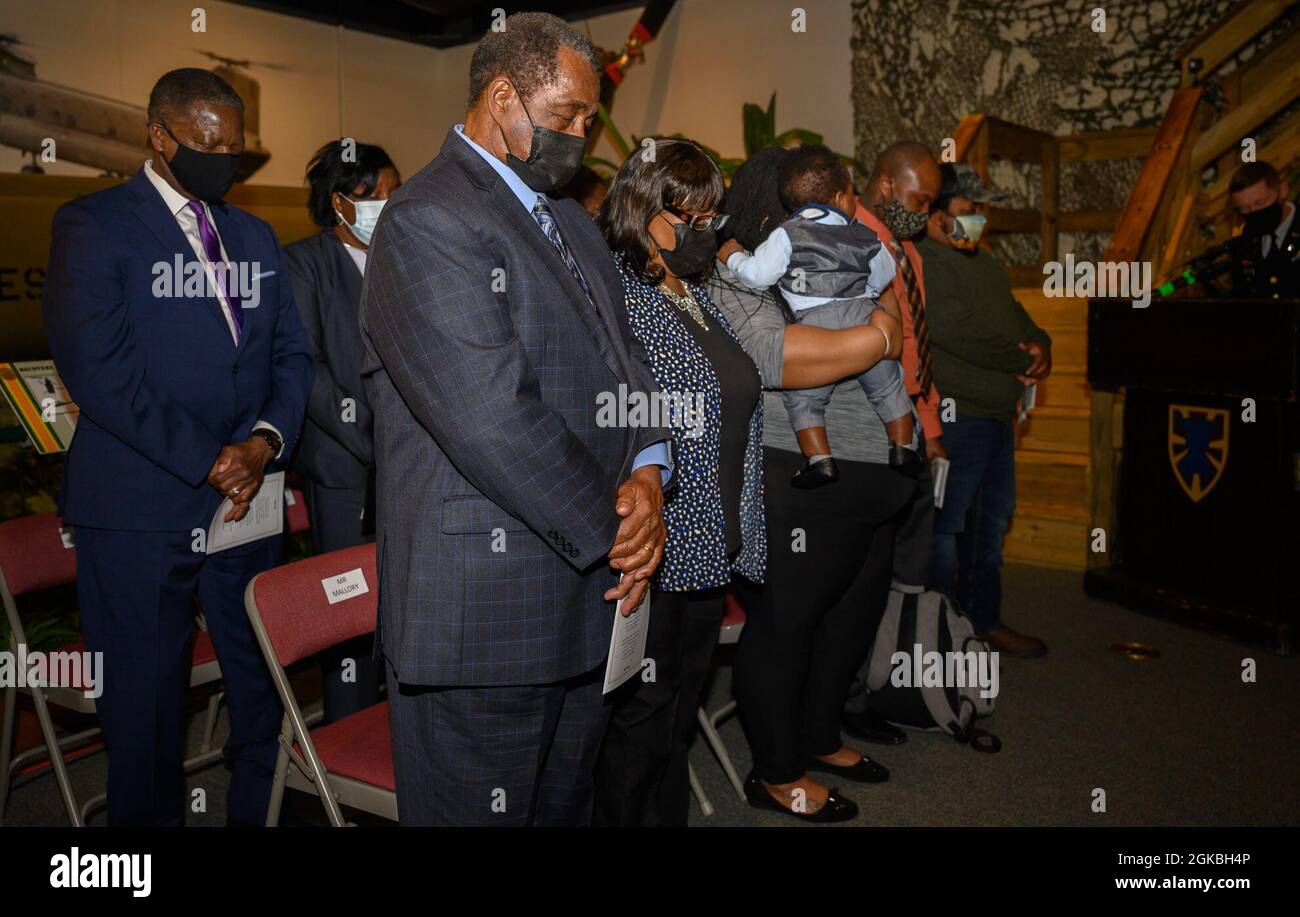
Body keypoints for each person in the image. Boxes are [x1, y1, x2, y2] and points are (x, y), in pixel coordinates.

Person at [359, 12, 670, 827]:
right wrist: (620, 530)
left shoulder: (569, 219)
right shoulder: (427, 219)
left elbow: (626, 359)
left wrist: (648, 470)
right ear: (502, 96)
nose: (579, 136)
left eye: (586, 122)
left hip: (585, 596)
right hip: (485, 618)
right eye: (565, 116)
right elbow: (493, 416)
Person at [42, 68, 313, 825]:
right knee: (146, 719)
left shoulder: (254, 235)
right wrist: (208, 458)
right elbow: (100, 374)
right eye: (207, 143)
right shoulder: (93, 225)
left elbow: (291, 356)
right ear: (159, 135)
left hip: (247, 504)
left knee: (259, 697)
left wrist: (261, 443)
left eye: (236, 146)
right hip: (139, 513)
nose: (225, 158)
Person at [709, 149, 912, 823]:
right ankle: (775, 769)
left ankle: (821, 734)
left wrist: (884, 327)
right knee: (790, 622)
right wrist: (880, 338)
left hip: (873, 468)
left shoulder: (842, 248)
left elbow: (892, 307)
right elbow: (783, 359)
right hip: (798, 470)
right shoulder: (741, 270)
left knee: (851, 613)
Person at [593, 138, 763, 827]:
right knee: (637, 732)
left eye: (711, 219)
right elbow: (610, 419)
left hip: (705, 549)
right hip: (651, 552)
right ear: (642, 211)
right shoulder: (612, 294)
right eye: (688, 219)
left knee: (672, 727)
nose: (705, 234)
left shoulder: (694, 293)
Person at [719, 143, 918, 488]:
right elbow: (884, 283)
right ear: (841, 198)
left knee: (806, 404)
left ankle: (819, 459)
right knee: (889, 387)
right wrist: (880, 333)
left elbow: (756, 273)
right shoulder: (863, 234)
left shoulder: (787, 236)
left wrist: (733, 257)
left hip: (818, 318)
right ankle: (903, 447)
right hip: (862, 314)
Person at [285, 139, 400, 724]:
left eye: (394, 194)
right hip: (345, 467)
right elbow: (306, 371)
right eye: (377, 195)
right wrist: (375, 443)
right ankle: (345, 747)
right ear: (339, 202)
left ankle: (395, 742)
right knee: (350, 614)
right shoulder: (303, 263)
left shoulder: (400, 261)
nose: (390, 204)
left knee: (399, 610)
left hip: (406, 465)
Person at [917, 163, 1050, 657]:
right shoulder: (926, 261)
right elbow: (954, 329)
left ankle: (984, 622)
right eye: (967, 211)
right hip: (956, 419)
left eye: (979, 211)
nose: (977, 220)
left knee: (990, 526)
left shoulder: (984, 260)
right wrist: (1021, 358)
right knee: (946, 530)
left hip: (997, 417)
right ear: (934, 216)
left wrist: (1042, 342)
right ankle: (939, 635)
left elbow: (1015, 314)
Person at [1227, 160, 1300, 298]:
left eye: (1260, 203)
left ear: (1282, 190)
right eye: (1244, 209)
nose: (1254, 212)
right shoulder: (1247, 240)